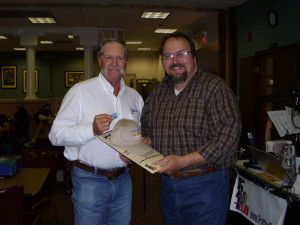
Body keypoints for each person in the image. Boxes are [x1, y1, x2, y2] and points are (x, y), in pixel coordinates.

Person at [140, 32, 242, 225]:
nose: (175, 61)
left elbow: (228, 138)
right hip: (168, 186)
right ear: (163, 61)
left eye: (181, 54)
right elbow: (147, 127)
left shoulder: (214, 88)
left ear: (194, 57)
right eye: (168, 56)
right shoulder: (158, 92)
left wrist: (184, 161)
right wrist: (147, 140)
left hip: (206, 185)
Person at [49, 40, 144, 225]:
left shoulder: (135, 97)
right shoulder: (80, 92)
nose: (114, 63)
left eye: (120, 58)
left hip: (124, 180)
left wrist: (137, 149)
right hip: (89, 180)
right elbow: (56, 135)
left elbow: (136, 135)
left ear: (126, 62)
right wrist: (91, 129)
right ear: (100, 61)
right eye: (109, 57)